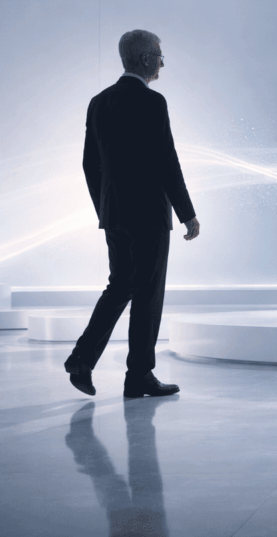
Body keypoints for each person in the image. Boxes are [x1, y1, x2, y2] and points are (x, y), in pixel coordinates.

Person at [64, 29, 199, 398]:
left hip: (116, 215)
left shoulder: (99, 102)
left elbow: (89, 164)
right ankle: (139, 375)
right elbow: (166, 163)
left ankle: (81, 359)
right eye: (158, 54)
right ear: (143, 59)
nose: (162, 61)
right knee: (147, 294)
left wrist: (106, 209)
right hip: (150, 217)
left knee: (120, 285)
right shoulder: (153, 103)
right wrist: (187, 213)